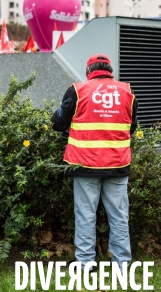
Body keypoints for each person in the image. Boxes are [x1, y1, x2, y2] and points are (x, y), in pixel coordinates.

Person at [50, 54, 138, 268]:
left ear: (89, 72)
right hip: (117, 164)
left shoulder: (78, 90)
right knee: (118, 216)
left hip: (85, 164)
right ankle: (122, 264)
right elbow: (132, 128)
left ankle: (85, 264)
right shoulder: (127, 92)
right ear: (110, 71)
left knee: (86, 216)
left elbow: (59, 123)